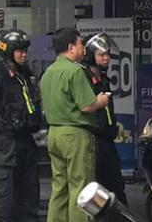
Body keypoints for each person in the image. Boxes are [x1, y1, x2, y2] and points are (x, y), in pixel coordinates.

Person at [40, 28, 110, 222]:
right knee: (81, 188)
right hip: (75, 135)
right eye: (80, 44)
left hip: (54, 134)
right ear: (71, 47)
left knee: (59, 187)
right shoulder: (75, 71)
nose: (83, 49)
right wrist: (101, 101)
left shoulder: (48, 73)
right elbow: (87, 105)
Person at [0, 30, 41, 221]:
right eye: (19, 51)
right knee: (5, 204)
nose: (24, 55)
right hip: (6, 144)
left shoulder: (25, 75)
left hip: (26, 143)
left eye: (25, 50)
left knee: (30, 200)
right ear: (8, 52)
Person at [81, 33, 128, 205]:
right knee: (96, 188)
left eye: (107, 54)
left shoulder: (104, 79)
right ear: (89, 56)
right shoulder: (84, 78)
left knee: (116, 186)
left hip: (107, 140)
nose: (106, 58)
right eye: (101, 54)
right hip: (93, 140)